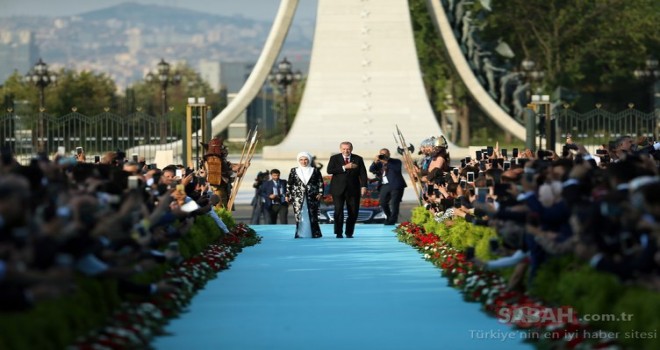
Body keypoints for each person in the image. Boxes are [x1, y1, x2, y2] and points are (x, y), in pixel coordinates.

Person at [327, 141, 368, 238]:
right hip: (338, 189)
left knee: (353, 211)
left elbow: (363, 173)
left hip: (353, 190)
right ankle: (338, 232)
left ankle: (349, 232)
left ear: (351, 149)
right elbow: (329, 170)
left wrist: (364, 186)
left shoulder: (358, 159)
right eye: (344, 149)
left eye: (348, 149)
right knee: (338, 211)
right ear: (340, 149)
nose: (346, 151)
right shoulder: (334, 158)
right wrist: (344, 167)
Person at [286, 152, 324, 238]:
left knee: (313, 215)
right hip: (297, 197)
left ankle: (314, 233)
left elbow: (320, 182)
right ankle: (300, 234)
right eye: (301, 160)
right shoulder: (294, 170)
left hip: (312, 196)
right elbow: (289, 184)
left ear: (309, 160)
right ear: (298, 160)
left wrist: (320, 193)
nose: (304, 161)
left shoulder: (315, 170)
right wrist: (287, 195)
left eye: (306, 159)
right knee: (299, 215)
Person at [369, 148, 407, 225]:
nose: (383, 156)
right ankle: (389, 216)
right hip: (384, 185)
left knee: (394, 203)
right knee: (383, 202)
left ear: (389, 154)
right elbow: (371, 170)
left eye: (385, 154)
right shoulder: (379, 163)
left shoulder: (396, 161)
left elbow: (396, 169)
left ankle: (393, 219)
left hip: (396, 185)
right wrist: (375, 162)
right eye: (382, 154)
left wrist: (386, 161)